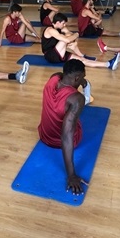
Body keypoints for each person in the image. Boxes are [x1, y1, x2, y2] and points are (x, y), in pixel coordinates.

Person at [38, 59, 90, 194]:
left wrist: (81, 82)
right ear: (77, 77)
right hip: (60, 141)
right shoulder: (77, 99)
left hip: (44, 135)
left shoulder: (53, 78)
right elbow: (66, 136)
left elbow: (66, 81)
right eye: (82, 78)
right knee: (74, 121)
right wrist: (71, 175)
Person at [42, 13, 120, 71]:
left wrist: (72, 37)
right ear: (58, 22)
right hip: (50, 55)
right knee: (65, 39)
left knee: (81, 60)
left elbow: (70, 34)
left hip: (58, 52)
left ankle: (108, 64)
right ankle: (81, 54)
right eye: (63, 23)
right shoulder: (50, 30)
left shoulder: (60, 28)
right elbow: (68, 39)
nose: (64, 25)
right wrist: (76, 34)